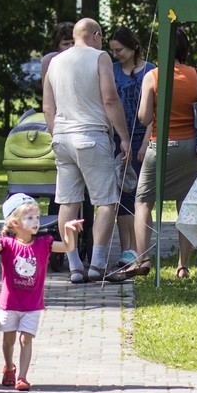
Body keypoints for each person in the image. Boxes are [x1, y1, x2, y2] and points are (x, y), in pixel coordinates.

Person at [122, 28, 197, 280]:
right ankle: (182, 266)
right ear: (184, 50)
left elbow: (144, 118)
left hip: (161, 146)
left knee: (143, 201)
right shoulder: (196, 74)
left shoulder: (153, 76)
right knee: (185, 205)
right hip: (191, 148)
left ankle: (143, 259)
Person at [42, 18, 131, 283]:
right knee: (105, 201)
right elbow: (110, 98)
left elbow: (48, 107)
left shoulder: (55, 61)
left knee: (68, 202)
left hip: (62, 138)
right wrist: (124, 137)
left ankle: (74, 266)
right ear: (96, 35)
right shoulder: (100, 57)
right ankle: (98, 264)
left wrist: (55, 132)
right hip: (91, 136)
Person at [0, 193, 83, 391]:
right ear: (14, 222)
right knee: (9, 340)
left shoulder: (44, 243)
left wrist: (67, 230)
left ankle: (22, 377)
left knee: (26, 339)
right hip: (9, 303)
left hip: (32, 304)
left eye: (37, 217)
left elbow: (68, 246)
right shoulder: (6, 244)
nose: (36, 222)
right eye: (29, 218)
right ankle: (9, 367)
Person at [109, 27, 156, 268]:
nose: (116, 54)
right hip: (119, 137)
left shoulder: (151, 70)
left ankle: (141, 247)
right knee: (122, 193)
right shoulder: (112, 70)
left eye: (120, 50)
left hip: (142, 136)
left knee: (140, 192)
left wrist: (147, 140)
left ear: (133, 46)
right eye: (113, 50)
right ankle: (125, 248)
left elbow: (156, 109)